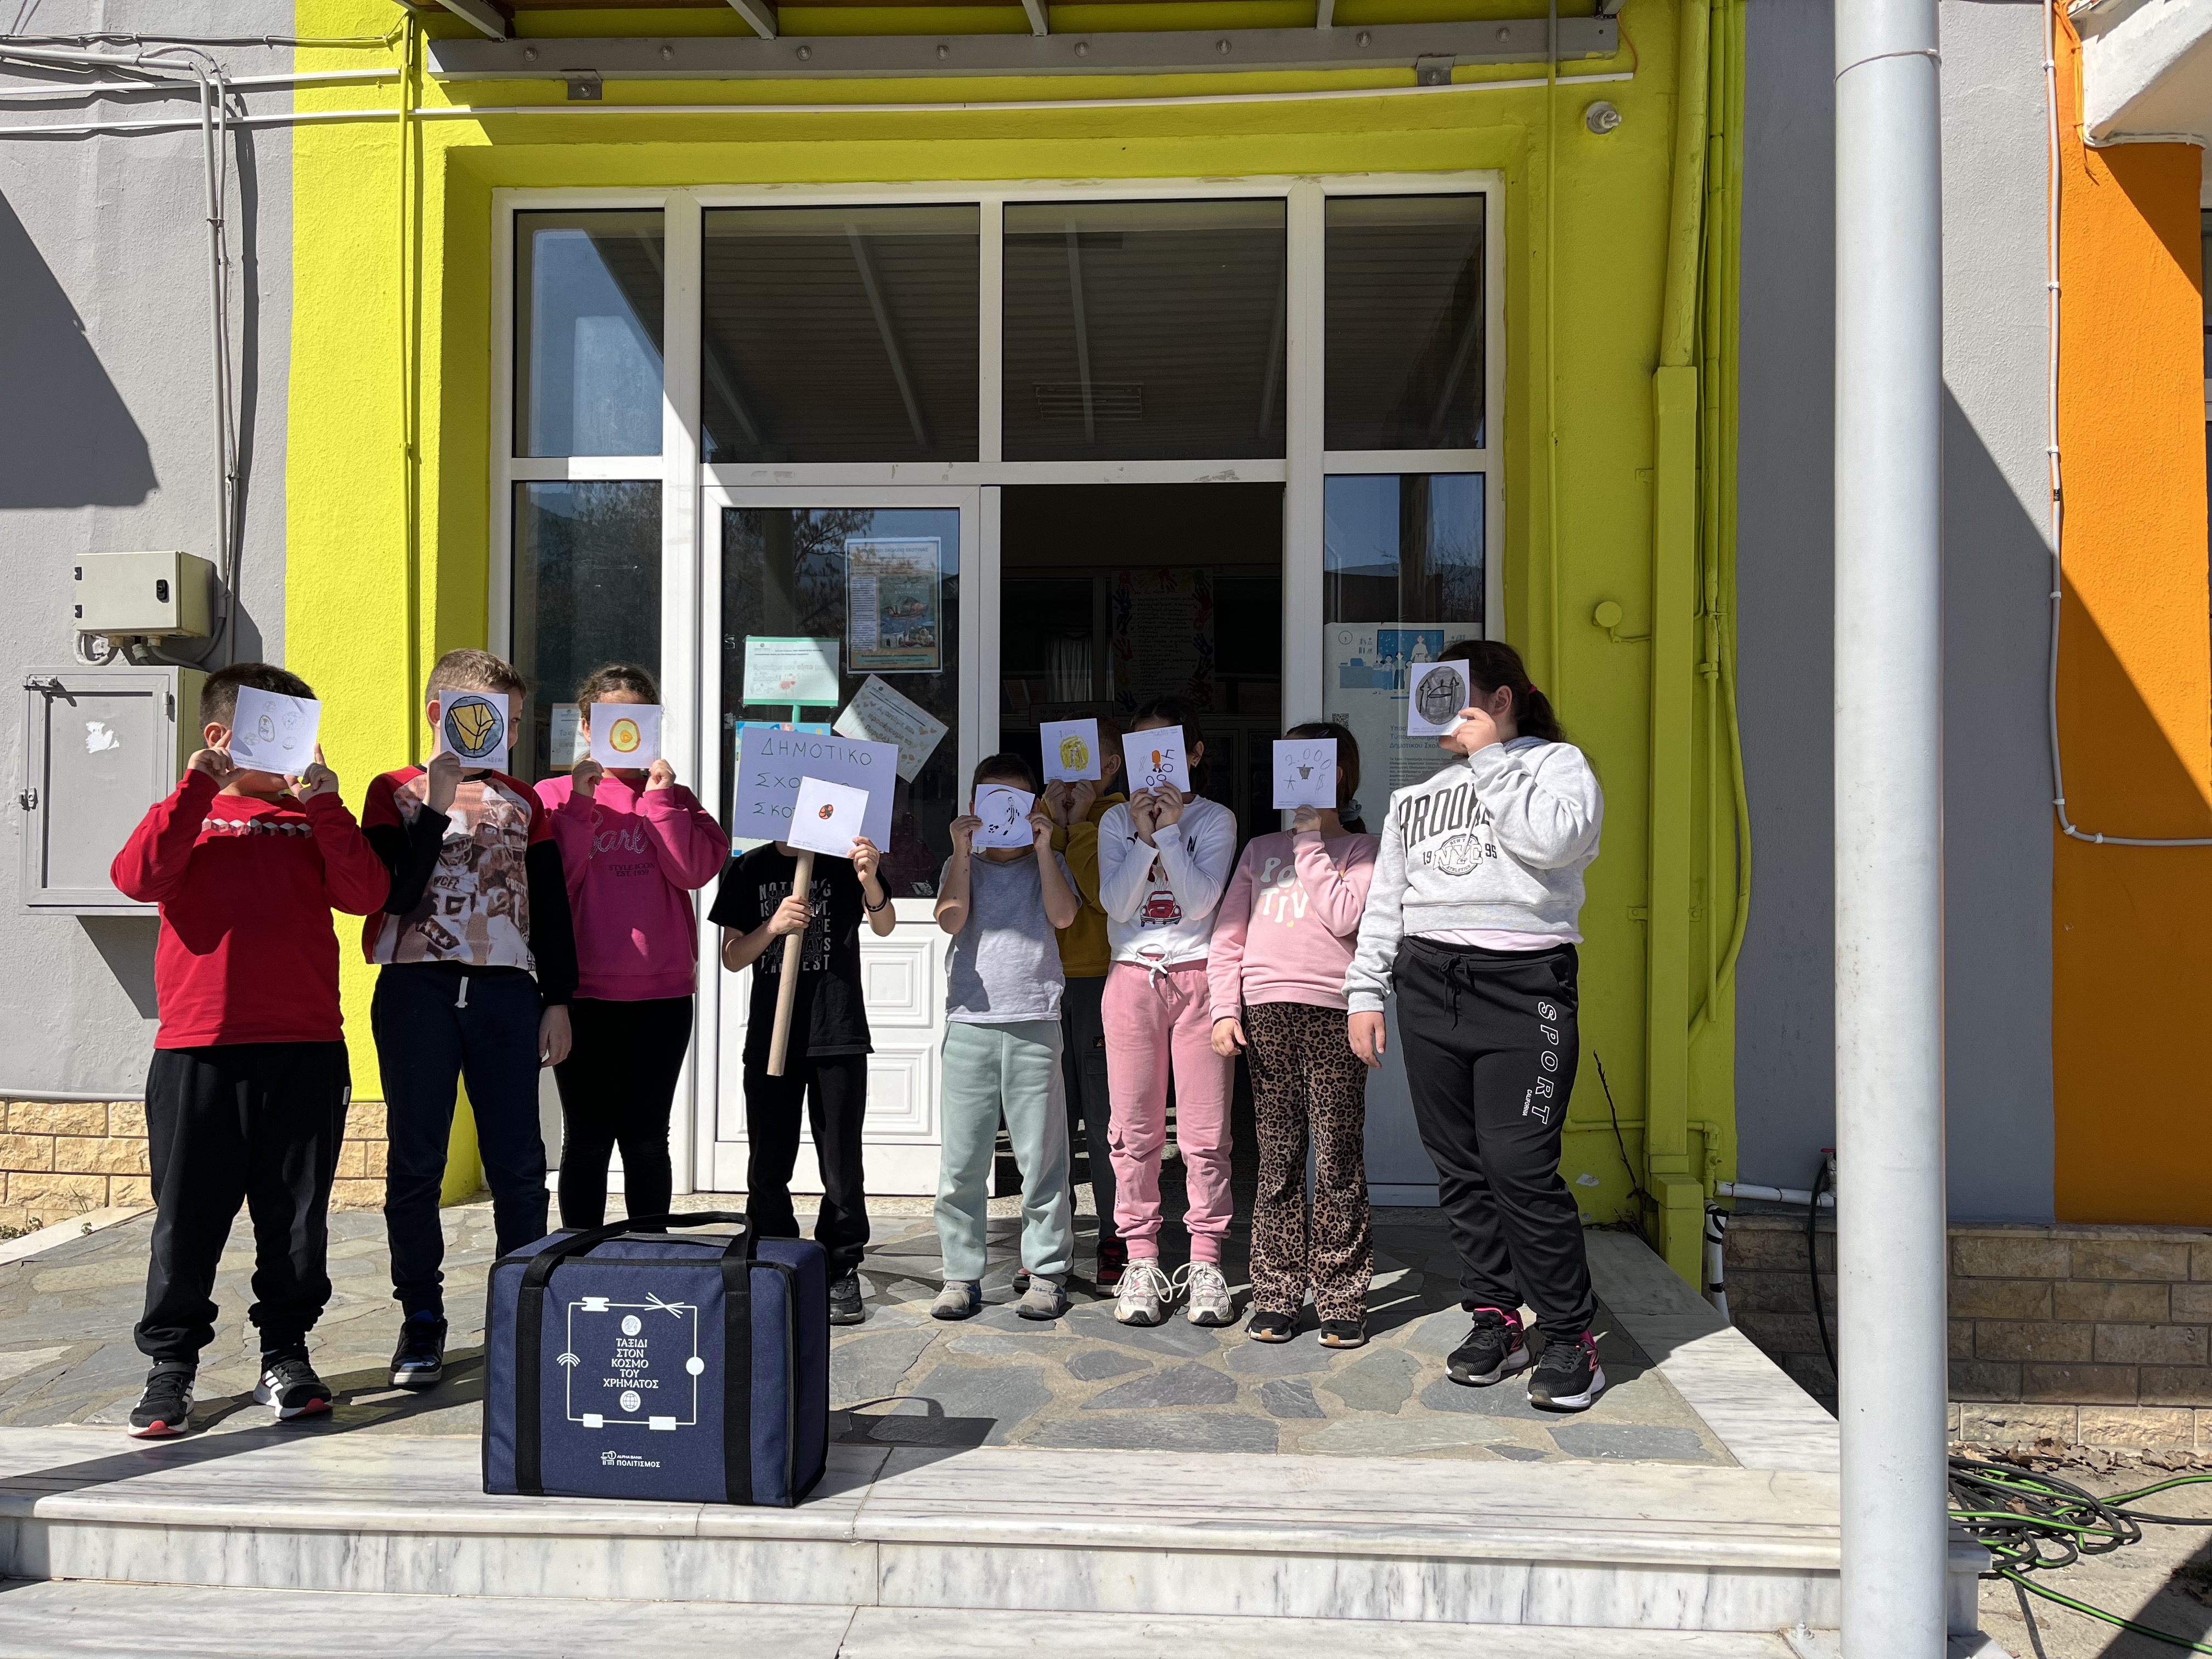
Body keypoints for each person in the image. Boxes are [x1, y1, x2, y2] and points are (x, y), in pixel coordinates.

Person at [111, 664, 390, 1436]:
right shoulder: (190, 812)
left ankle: (287, 1353)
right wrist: (197, 788)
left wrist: (328, 801)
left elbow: (367, 894)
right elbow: (136, 878)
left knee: (296, 1217)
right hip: (199, 1048)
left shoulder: (313, 819)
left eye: (298, 730)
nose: (291, 748)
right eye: (275, 731)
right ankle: (171, 1367)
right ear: (221, 737)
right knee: (187, 1216)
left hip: (304, 1047)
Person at [1344, 639, 1607, 1412]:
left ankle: (1569, 1335)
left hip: (1523, 986)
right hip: (1429, 984)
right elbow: (1388, 898)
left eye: (1458, 699)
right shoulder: (1413, 797)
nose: (1444, 717)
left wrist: (1492, 761)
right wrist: (1365, 991)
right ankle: (1495, 1317)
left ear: (1500, 700)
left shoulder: (1559, 768)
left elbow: (1553, 845)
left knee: (1519, 1164)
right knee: (1458, 1166)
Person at [361, 648, 578, 1393]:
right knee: (416, 1162)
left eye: (512, 724)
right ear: (438, 716)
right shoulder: (391, 791)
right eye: (488, 719)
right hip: (416, 991)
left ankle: (526, 1311)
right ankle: (421, 1320)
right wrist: (435, 803)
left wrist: (559, 998)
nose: (503, 735)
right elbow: (392, 893)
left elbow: (549, 906)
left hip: (505, 995)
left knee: (519, 1165)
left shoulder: (526, 802)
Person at [534, 665, 728, 1230]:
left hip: (662, 995)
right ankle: (580, 1252)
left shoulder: (678, 798)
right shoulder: (554, 795)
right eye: (613, 720)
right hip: (584, 995)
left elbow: (693, 870)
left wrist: (662, 802)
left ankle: (650, 1252)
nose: (626, 733)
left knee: (647, 1138)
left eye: (639, 719)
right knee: (588, 1138)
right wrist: (577, 805)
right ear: (589, 728)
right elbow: (556, 882)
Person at [1207, 723, 1379, 1348]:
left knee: (1337, 1158)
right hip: (1267, 1013)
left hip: (1334, 1012)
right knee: (1277, 1157)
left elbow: (1344, 915)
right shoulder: (1258, 850)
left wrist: (1311, 842)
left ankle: (1340, 1295)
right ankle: (1277, 1292)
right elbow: (1228, 938)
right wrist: (1224, 1008)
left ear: (1338, 773)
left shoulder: (1364, 850)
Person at [708, 810, 898, 1325]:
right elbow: (731, 956)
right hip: (773, 1037)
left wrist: (870, 879)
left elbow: (884, 923)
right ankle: (774, 1256)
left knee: (841, 1158)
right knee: (769, 1157)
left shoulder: (843, 864)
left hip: (836, 1033)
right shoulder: (747, 869)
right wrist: (774, 926)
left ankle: (840, 1266)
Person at [1095, 696, 1239, 1327]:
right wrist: (1145, 837)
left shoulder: (1216, 819)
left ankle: (1206, 1260)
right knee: (1133, 1132)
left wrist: (1172, 833)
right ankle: (1142, 1259)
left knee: (1206, 1134)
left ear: (1195, 754)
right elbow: (1119, 906)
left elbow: (1203, 901)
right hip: (1132, 979)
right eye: (1143, 751)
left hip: (1198, 978)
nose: (1155, 765)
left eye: (1170, 749)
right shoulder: (1112, 822)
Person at [928, 755, 1081, 1322]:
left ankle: (1045, 1271)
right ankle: (960, 1274)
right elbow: (949, 918)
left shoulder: (1053, 861)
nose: (1005, 815)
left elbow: (1064, 918)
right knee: (963, 1160)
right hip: (970, 1021)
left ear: (1035, 807)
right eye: (993, 803)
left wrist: (1044, 848)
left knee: (1042, 1157)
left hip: (1035, 1020)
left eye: (1017, 803)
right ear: (974, 809)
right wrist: (963, 855)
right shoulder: (960, 863)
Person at [1043, 715, 1127, 1289]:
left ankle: (1113, 1237)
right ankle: (1049, 1239)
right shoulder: (1033, 822)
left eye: (1086, 760)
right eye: (1064, 758)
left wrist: (1077, 827)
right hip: (1042, 984)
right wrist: (1052, 825)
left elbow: (1102, 898)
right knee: (1047, 1121)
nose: (1073, 774)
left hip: (1100, 980)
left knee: (1103, 1119)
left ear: (1112, 766)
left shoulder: (1123, 817)